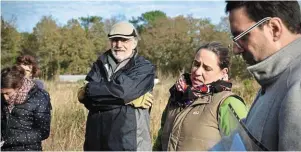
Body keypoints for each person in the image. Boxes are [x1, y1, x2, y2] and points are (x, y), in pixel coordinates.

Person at [217, 1, 301, 151]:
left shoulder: (296, 87)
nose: (236, 49)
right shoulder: (274, 79)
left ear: (274, 29)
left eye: (241, 36)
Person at [153, 42, 248, 151]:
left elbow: (242, 147)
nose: (197, 72)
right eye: (196, 64)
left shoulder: (228, 103)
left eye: (207, 68)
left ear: (223, 72)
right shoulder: (177, 96)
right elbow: (160, 141)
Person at [78, 21, 155, 151]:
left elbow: (123, 92)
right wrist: (129, 101)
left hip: (128, 144)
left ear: (134, 43)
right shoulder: (99, 64)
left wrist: (91, 91)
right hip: (96, 144)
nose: (119, 45)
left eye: (124, 40)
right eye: (115, 40)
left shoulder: (143, 67)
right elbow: (87, 99)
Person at [1, 65, 51, 151]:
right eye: (2, 94)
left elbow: (43, 132)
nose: (5, 98)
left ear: (17, 87)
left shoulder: (39, 97)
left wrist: (8, 140)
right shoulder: (3, 98)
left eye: (7, 93)